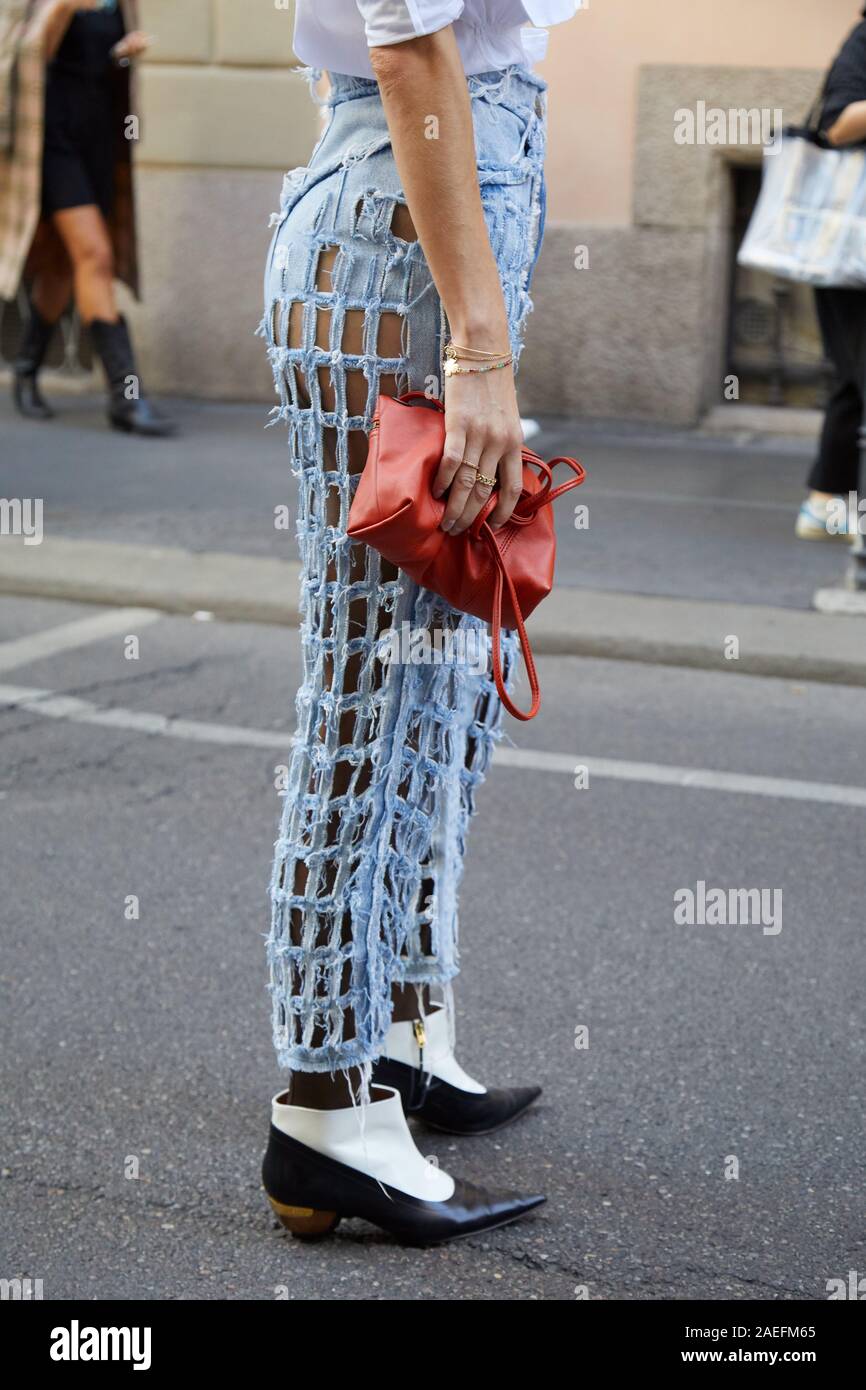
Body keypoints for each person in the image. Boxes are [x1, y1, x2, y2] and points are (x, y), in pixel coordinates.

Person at [259, 1, 578, 1245]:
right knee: (369, 690)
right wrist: (479, 347)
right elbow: (404, 46)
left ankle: (395, 1033)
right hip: (410, 246)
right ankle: (324, 1105)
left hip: (423, 228)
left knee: (440, 680)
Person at [0, 0, 173, 435]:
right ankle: (126, 398)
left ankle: (25, 368)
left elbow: (102, 62)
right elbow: (26, 58)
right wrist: (60, 8)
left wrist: (124, 53)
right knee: (96, 255)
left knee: (64, 263)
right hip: (50, 142)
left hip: (98, 138)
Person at [796, 4, 866, 542]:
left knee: (852, 376)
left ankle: (826, 503)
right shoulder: (864, 39)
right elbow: (836, 124)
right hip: (850, 243)